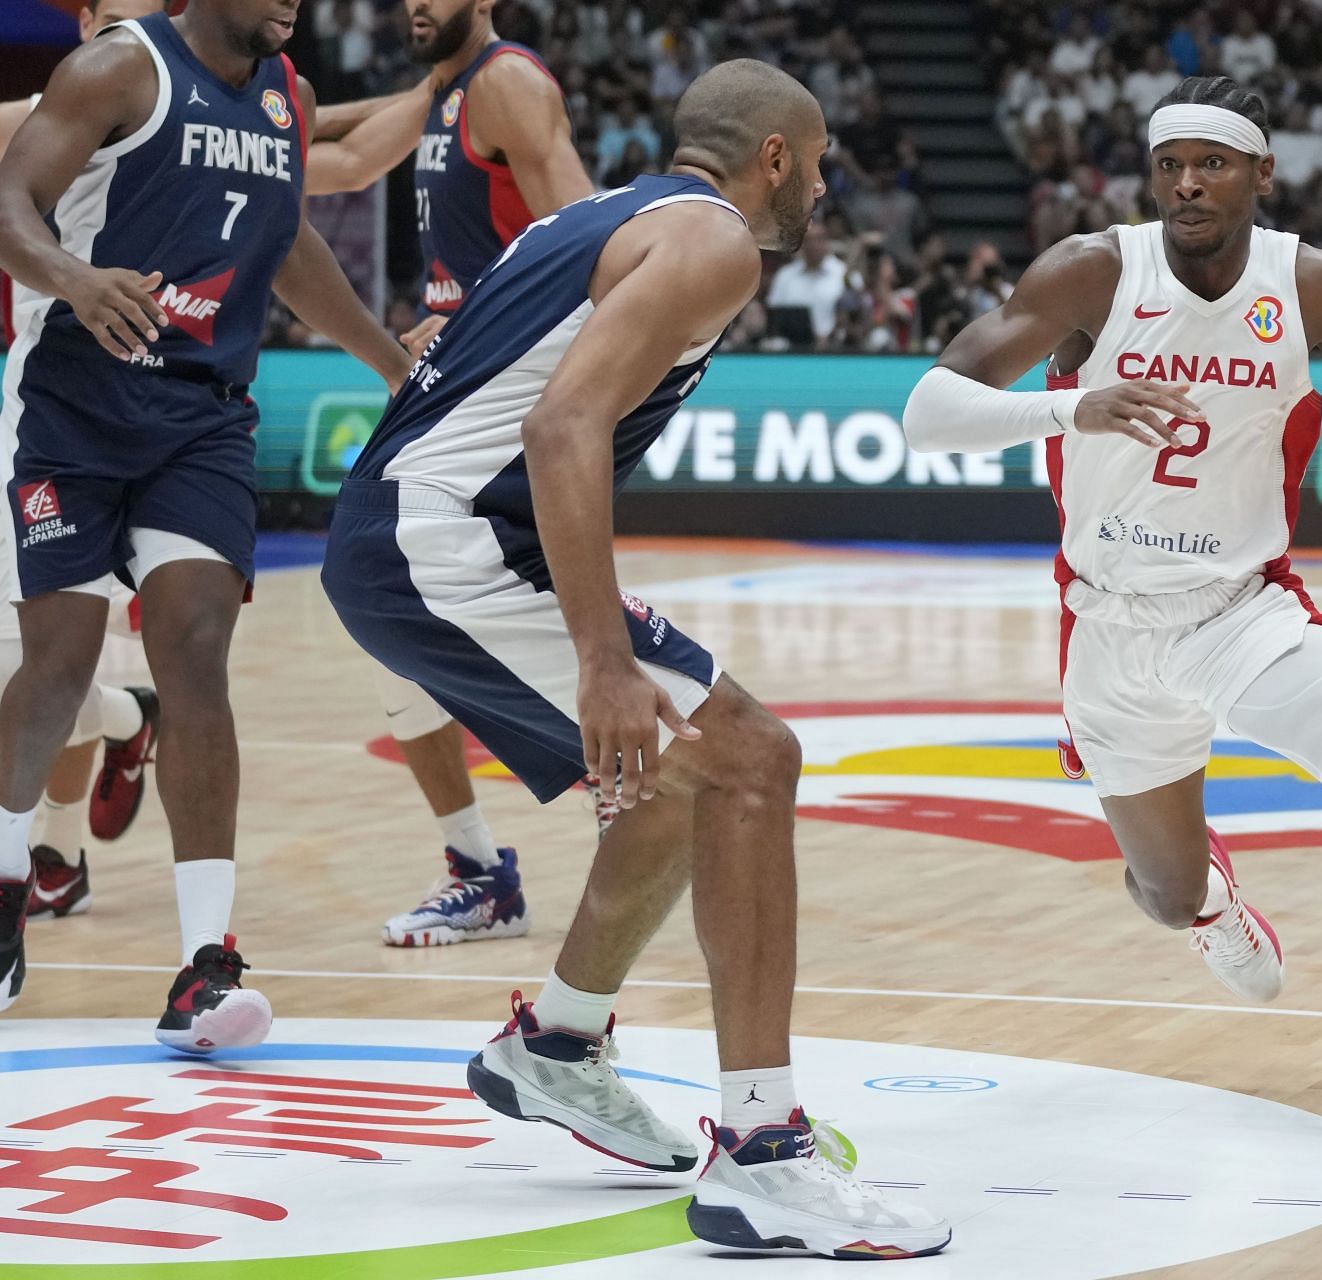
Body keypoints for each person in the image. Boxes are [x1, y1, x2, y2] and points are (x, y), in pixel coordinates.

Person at [321, 60, 949, 1258]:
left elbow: (488, 369)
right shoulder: (718, 244)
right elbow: (564, 422)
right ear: (774, 157)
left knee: (682, 780)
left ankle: (556, 1042)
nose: (821, 185)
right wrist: (601, 656)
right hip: (446, 539)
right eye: (816, 163)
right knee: (754, 760)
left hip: (414, 526)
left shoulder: (590, 217)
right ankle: (765, 1156)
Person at [902, 75, 1322, 1166]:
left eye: (1212, 163)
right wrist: (1071, 402)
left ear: (1260, 174)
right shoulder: (1092, 269)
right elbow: (926, 413)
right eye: (1170, 162)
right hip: (1110, 629)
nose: (1187, 182)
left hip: (1245, 609)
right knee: (1164, 892)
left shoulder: (1309, 285)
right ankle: (1214, 899)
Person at [0, 0, 411, 1036]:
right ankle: (6, 901)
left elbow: (290, 245)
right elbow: (11, 201)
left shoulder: (290, 98)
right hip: (75, 399)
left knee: (195, 656)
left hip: (201, 415)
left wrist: (392, 363)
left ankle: (203, 967)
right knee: (57, 661)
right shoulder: (116, 70)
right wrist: (73, 279)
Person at [320, 0, 600, 947]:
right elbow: (342, 154)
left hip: (503, 401)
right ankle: (480, 868)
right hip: (452, 395)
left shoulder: (508, 84)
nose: (415, 5)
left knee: (508, 618)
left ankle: (643, 806)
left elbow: (602, 246)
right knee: (385, 624)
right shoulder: (439, 91)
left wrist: (478, 320)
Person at [0, 0, 170, 922]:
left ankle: (41, 857)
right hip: (40, 400)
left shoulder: (204, 113)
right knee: (42, 662)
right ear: (84, 28)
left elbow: (323, 155)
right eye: (110, 17)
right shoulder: (44, 116)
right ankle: (62, 841)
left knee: (37, 657)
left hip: (140, 417)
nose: (126, 34)